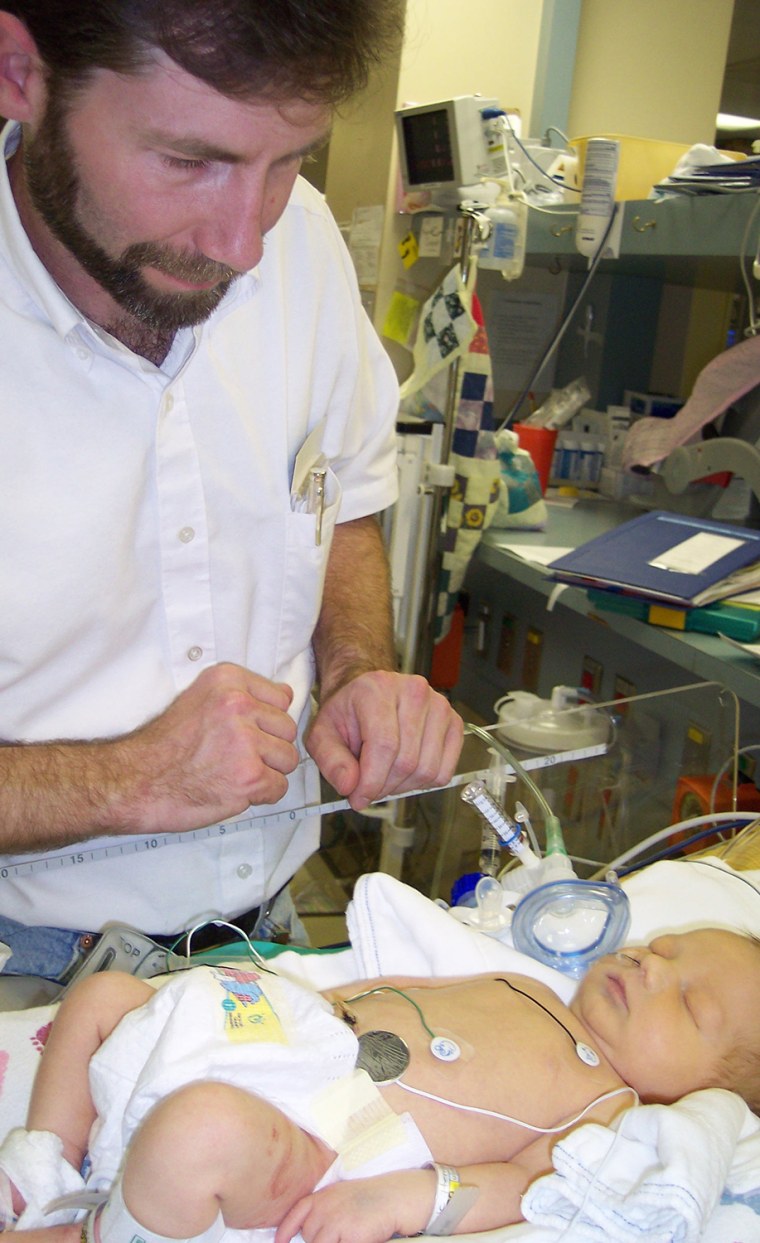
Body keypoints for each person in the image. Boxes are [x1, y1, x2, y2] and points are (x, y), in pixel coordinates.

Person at [0, 0, 464, 981]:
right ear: (19, 73)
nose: (242, 244)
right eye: (186, 160)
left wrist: (354, 673)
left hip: (269, 933)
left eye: (288, 160)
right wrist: (125, 780)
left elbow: (337, 502)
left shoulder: (298, 241)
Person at [3, 926, 760, 1242]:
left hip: (316, 1138)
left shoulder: (609, 1107)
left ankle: (88, 1230)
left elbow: (524, 1185)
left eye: (690, 1002)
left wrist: (404, 1198)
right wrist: (285, 1001)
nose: (652, 965)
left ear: (700, 1089)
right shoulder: (522, 983)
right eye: (660, 946)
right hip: (282, 1044)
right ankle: (44, 1162)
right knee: (104, 999)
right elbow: (383, 990)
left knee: (200, 1127)